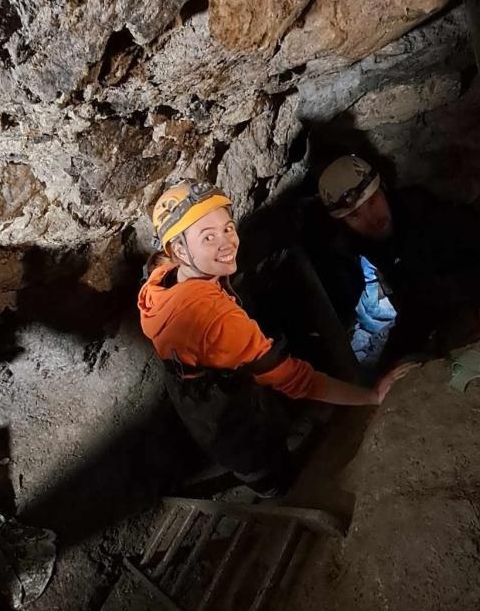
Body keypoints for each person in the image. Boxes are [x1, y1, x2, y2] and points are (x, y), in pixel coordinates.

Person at [138, 180, 410, 497]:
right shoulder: (218, 321)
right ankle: (277, 489)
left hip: (188, 382)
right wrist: (371, 397)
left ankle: (260, 476)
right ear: (180, 250)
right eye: (208, 237)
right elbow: (295, 379)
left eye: (227, 228)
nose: (227, 243)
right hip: (222, 403)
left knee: (236, 442)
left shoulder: (158, 282)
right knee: (256, 455)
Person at [308, 155, 480, 364]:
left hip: (472, 291)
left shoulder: (425, 213)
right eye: (355, 216)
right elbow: (415, 304)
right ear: (344, 223)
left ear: (384, 189)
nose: (372, 219)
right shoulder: (357, 242)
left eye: (372, 201)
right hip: (422, 303)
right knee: (391, 367)